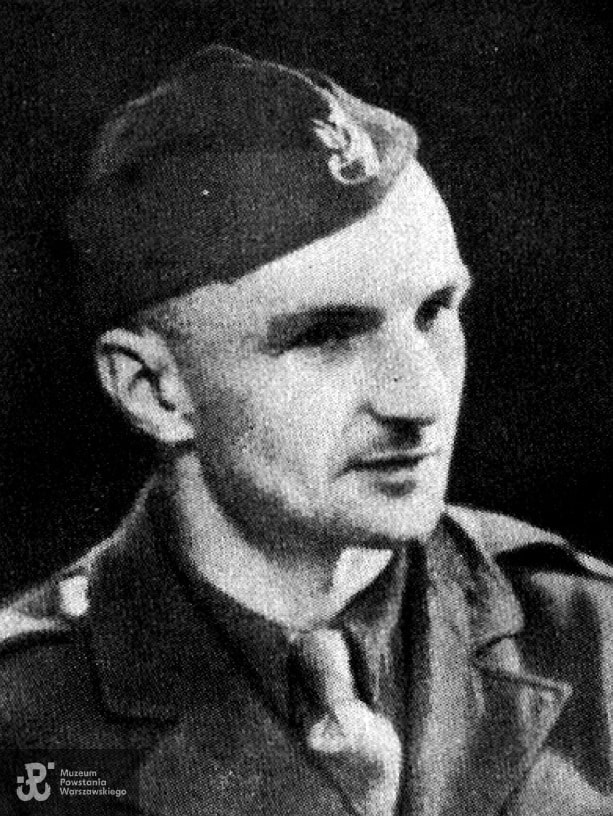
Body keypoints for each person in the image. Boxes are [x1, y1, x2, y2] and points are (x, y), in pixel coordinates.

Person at [0, 45, 611, 816]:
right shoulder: (22, 716)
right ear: (153, 390)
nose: (420, 396)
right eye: (325, 335)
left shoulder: (591, 635)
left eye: (434, 312)